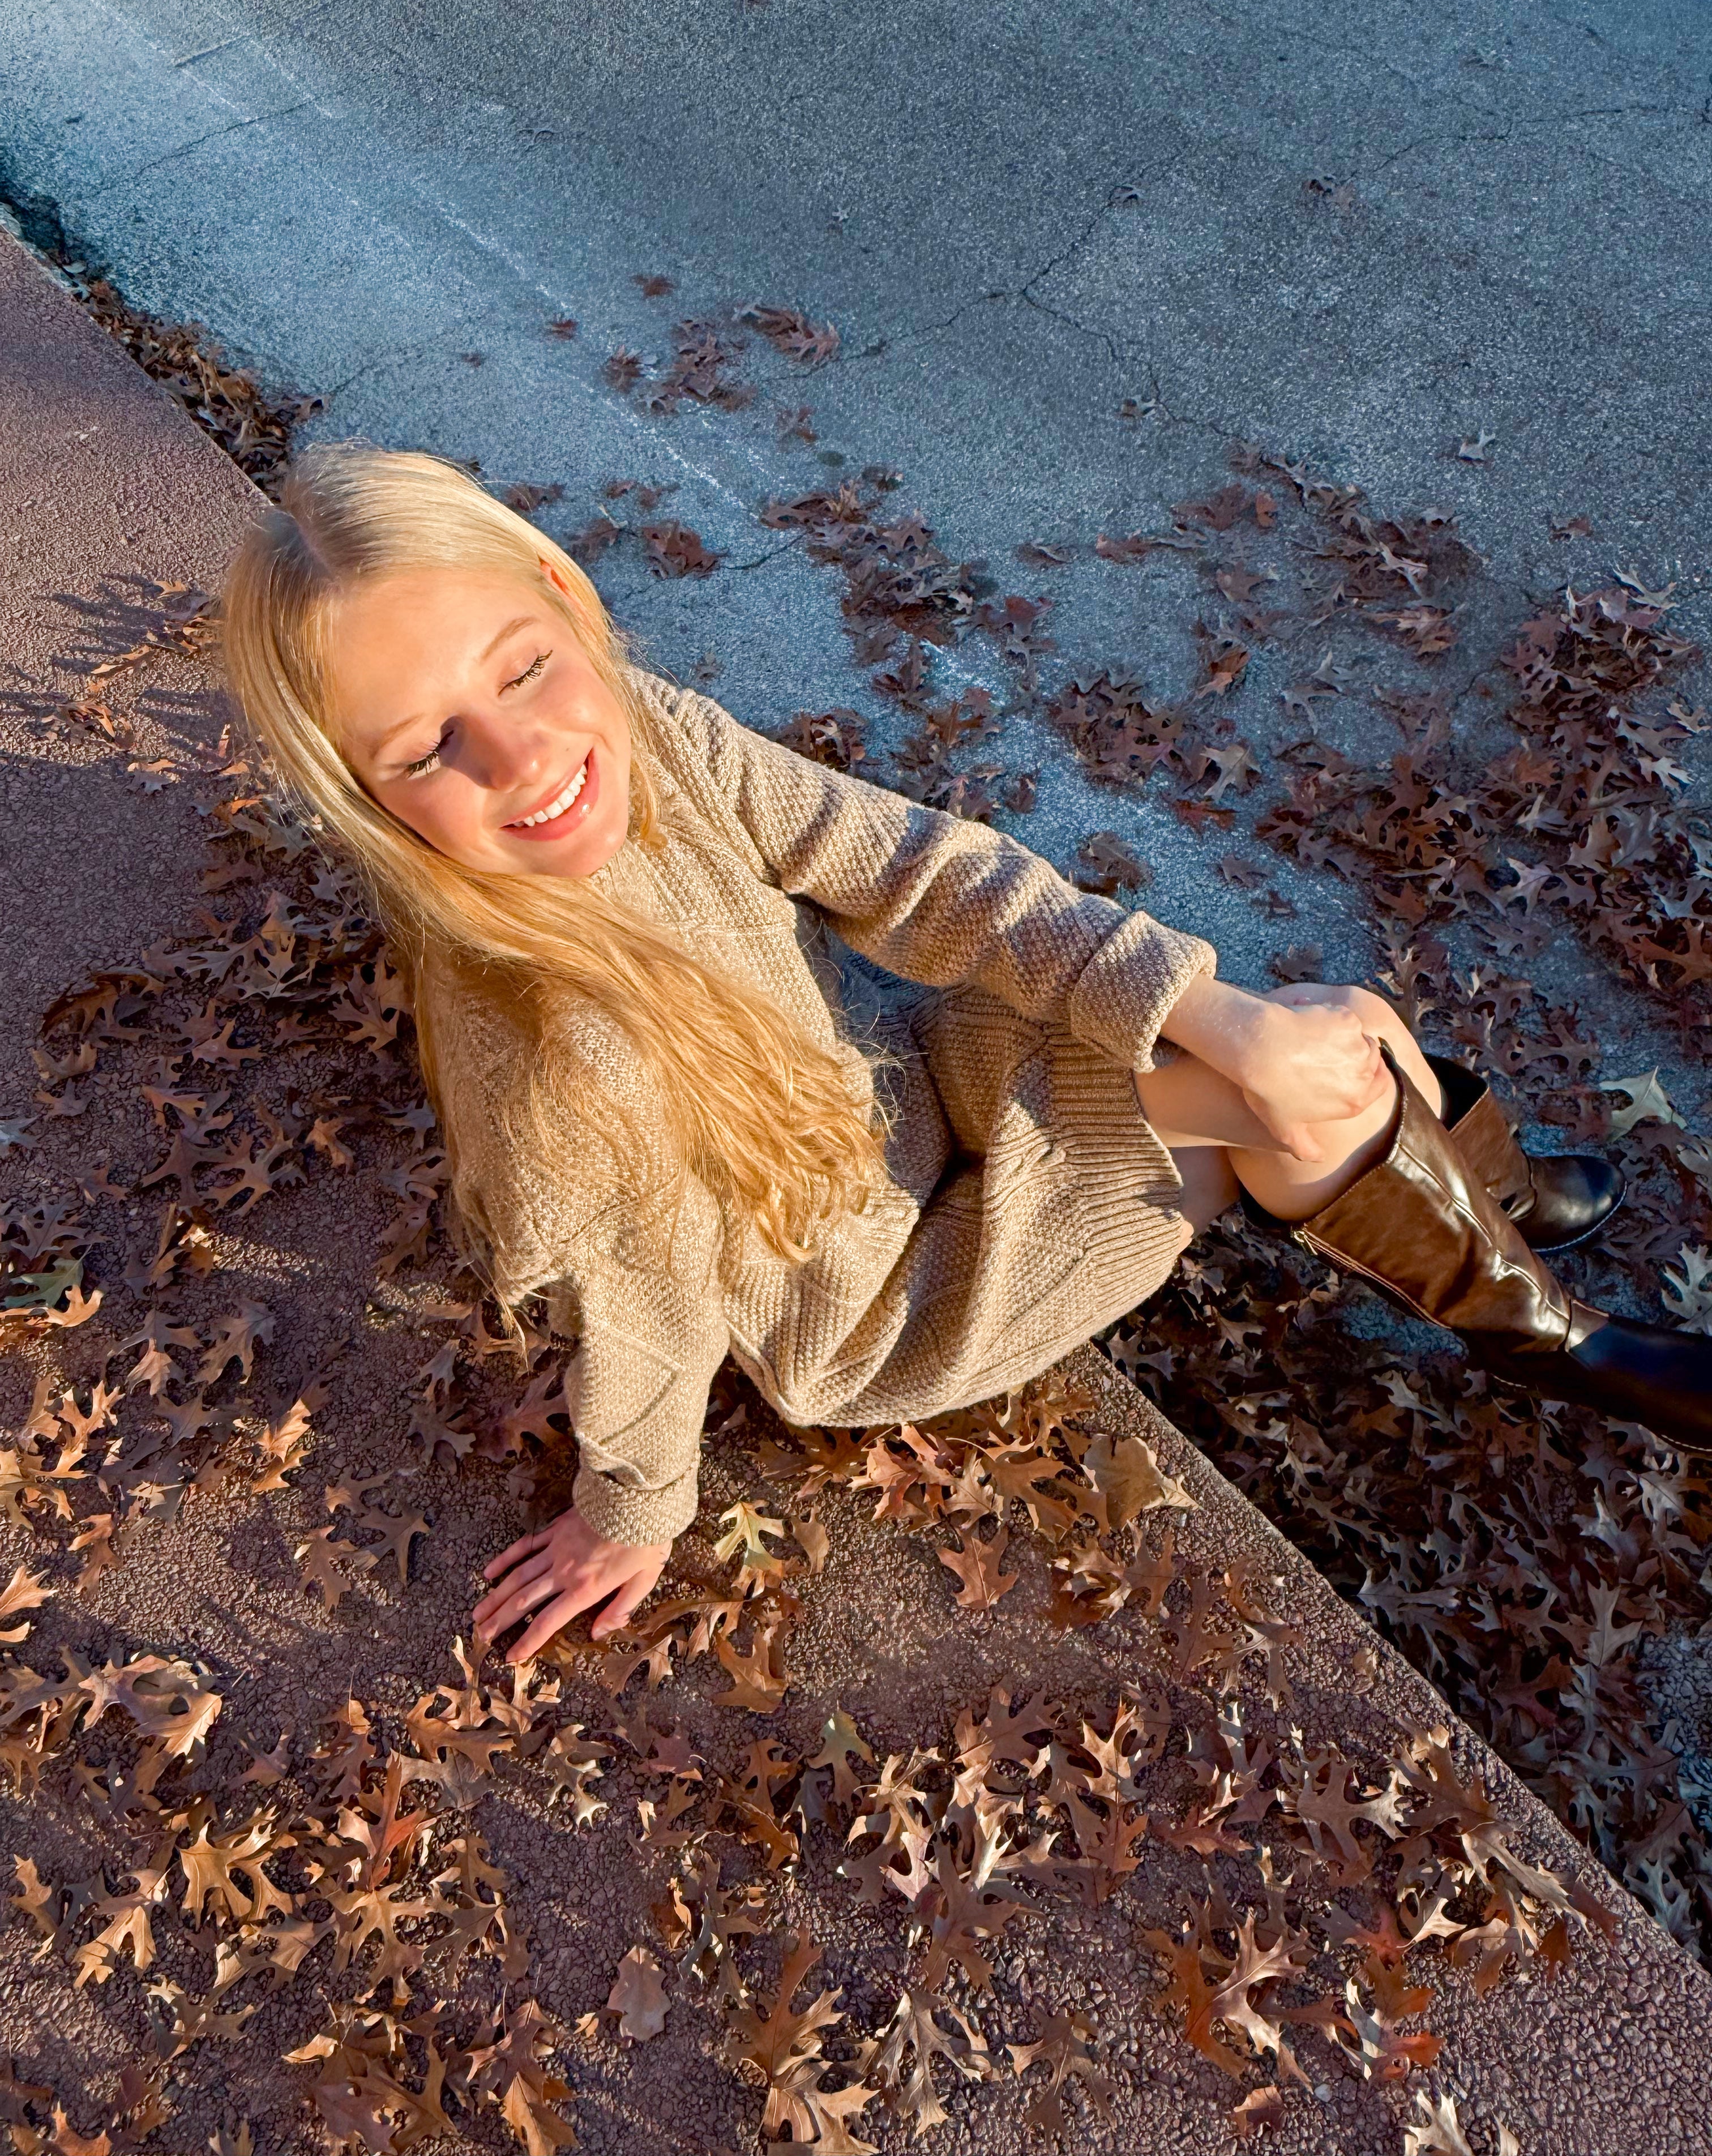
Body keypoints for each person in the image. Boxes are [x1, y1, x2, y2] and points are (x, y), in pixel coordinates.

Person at [217, 442, 1710, 1663]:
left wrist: (1210, 1009)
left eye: (523, 669)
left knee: (1310, 1028)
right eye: (425, 750)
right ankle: (1559, 1338)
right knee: (1302, 1096)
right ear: (362, 793)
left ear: (561, 592)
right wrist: (630, 1510)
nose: (524, 756)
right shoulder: (566, 1069)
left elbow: (914, 870)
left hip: (912, 1095)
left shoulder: (643, 732)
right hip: (882, 1296)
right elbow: (650, 1320)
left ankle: (1481, 1196)